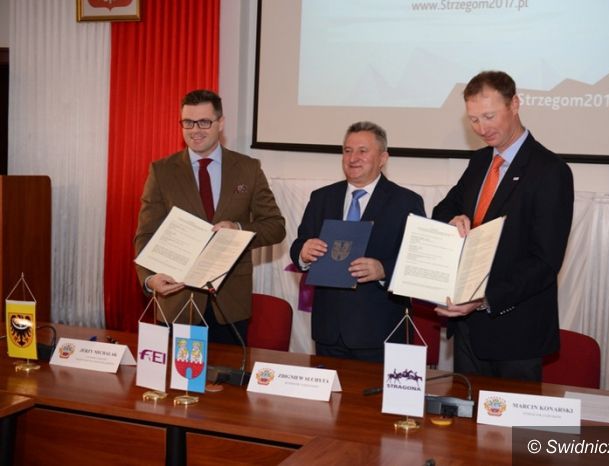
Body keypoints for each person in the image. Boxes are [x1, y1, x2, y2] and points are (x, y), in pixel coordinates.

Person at [432, 71, 574, 381]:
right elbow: (443, 210)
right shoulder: (480, 161)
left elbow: (545, 262)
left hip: (516, 334)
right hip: (468, 330)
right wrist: (454, 219)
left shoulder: (550, 171)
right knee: (466, 412)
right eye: (473, 120)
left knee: (508, 414)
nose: (482, 128)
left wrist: (483, 299)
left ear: (515, 105)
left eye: (489, 116)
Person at [134, 89, 285, 344]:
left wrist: (238, 229)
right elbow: (146, 234)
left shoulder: (248, 169)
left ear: (220, 123)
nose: (195, 130)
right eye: (188, 122)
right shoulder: (162, 171)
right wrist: (149, 279)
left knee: (228, 370)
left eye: (204, 122)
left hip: (230, 305)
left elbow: (275, 227)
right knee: (176, 372)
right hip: (177, 301)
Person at [290, 121, 425, 362]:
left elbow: (418, 262)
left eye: (363, 151)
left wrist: (383, 269)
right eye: (347, 150)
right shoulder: (322, 197)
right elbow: (298, 244)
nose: (353, 158)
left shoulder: (406, 202)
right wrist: (303, 252)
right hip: (328, 332)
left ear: (382, 158)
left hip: (380, 332)